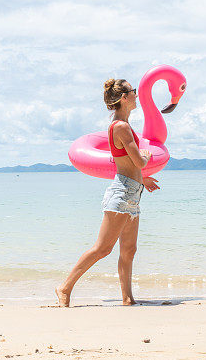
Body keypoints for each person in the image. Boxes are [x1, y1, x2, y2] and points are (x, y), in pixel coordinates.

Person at [56, 78, 160, 307]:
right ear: (124, 98)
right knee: (103, 248)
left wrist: (143, 180)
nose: (136, 95)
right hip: (122, 194)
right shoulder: (121, 127)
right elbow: (139, 161)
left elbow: (127, 164)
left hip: (132, 192)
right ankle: (64, 287)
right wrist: (147, 155)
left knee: (129, 250)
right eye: (133, 92)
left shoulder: (124, 125)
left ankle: (127, 298)